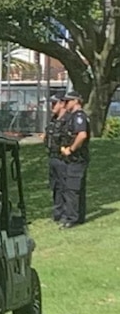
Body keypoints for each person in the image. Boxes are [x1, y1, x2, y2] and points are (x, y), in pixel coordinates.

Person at [59, 91, 90, 228]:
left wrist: (71, 149)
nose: (65, 104)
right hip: (77, 158)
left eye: (68, 101)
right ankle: (79, 217)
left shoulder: (79, 116)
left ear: (76, 101)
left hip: (77, 157)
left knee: (72, 188)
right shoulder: (73, 116)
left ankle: (71, 218)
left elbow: (82, 135)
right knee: (76, 188)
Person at [43, 94, 68, 223]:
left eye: (54, 103)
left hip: (62, 158)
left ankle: (65, 214)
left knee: (64, 186)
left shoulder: (67, 120)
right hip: (52, 156)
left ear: (62, 104)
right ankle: (57, 213)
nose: (52, 106)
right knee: (55, 186)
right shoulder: (53, 120)